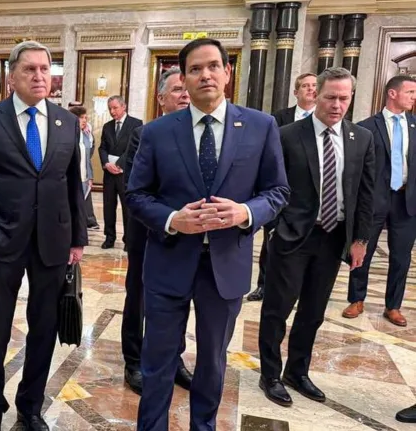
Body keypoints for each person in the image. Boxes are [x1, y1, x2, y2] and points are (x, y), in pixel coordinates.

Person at [127, 38, 289, 430]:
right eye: (195, 69)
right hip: (169, 261)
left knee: (213, 360)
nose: (205, 75)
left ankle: (204, 426)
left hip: (226, 265)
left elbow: (278, 191)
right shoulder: (157, 132)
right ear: (183, 79)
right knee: (158, 359)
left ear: (228, 72)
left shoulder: (260, 126)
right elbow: (136, 194)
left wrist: (245, 212)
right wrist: (172, 219)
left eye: (213, 66)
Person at [0, 40, 87, 431]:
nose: (39, 76)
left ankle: (31, 406)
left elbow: (73, 183)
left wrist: (77, 238)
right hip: (1, 240)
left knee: (44, 326)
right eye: (29, 69)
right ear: (11, 76)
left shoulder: (66, 122)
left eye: (45, 69)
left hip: (53, 240)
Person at [258, 67, 374, 408]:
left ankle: (298, 371)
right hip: (292, 236)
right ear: (315, 95)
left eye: (344, 98)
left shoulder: (361, 138)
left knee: (313, 311)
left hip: (333, 237)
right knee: (278, 308)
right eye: (330, 97)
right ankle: (270, 374)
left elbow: (366, 192)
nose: (337, 105)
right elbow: (268, 183)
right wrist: (275, 227)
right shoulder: (287, 135)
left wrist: (361, 239)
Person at [120, 67, 192, 395]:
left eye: (186, 89)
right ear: (161, 98)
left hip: (188, 236)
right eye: (177, 89)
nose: (185, 94)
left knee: (180, 298)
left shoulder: (201, 136)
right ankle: (134, 361)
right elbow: (135, 188)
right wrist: (171, 216)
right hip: (148, 233)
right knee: (138, 296)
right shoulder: (144, 134)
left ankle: (174, 359)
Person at [343, 75, 416, 326]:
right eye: (410, 92)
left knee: (401, 256)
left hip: (406, 200)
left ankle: (393, 306)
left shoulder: (415, 125)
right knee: (362, 249)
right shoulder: (366, 128)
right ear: (392, 93)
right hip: (373, 200)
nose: (414, 97)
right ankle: (356, 299)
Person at [249, 72, 317, 302]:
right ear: (296, 92)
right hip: (279, 188)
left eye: (314, 86)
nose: (311, 89)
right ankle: (263, 284)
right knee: (270, 240)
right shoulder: (278, 118)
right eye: (305, 86)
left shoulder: (323, 119)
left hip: (309, 192)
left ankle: (300, 289)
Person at [99, 95, 142, 249]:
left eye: (115, 108)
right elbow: (102, 147)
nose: (112, 111)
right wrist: (106, 163)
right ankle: (109, 237)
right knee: (108, 206)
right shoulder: (107, 126)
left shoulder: (136, 124)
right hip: (109, 173)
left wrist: (118, 164)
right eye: (110, 108)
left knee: (127, 207)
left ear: (124, 107)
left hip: (126, 173)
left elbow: (135, 147)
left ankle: (128, 239)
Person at [69, 100, 99, 229]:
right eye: (81, 118)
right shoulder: (68, 134)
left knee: (81, 206)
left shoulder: (87, 135)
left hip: (84, 176)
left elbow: (88, 157)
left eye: (86, 118)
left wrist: (90, 176)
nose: (84, 120)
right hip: (71, 176)